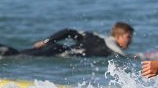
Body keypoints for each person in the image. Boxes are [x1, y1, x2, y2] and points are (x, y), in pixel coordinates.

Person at [0, 22, 134, 57]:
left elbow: (68, 31)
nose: (130, 41)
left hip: (58, 48)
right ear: (117, 36)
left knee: (16, 53)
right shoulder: (110, 43)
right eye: (128, 37)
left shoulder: (93, 36)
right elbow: (120, 55)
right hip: (59, 52)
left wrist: (46, 41)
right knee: (17, 56)